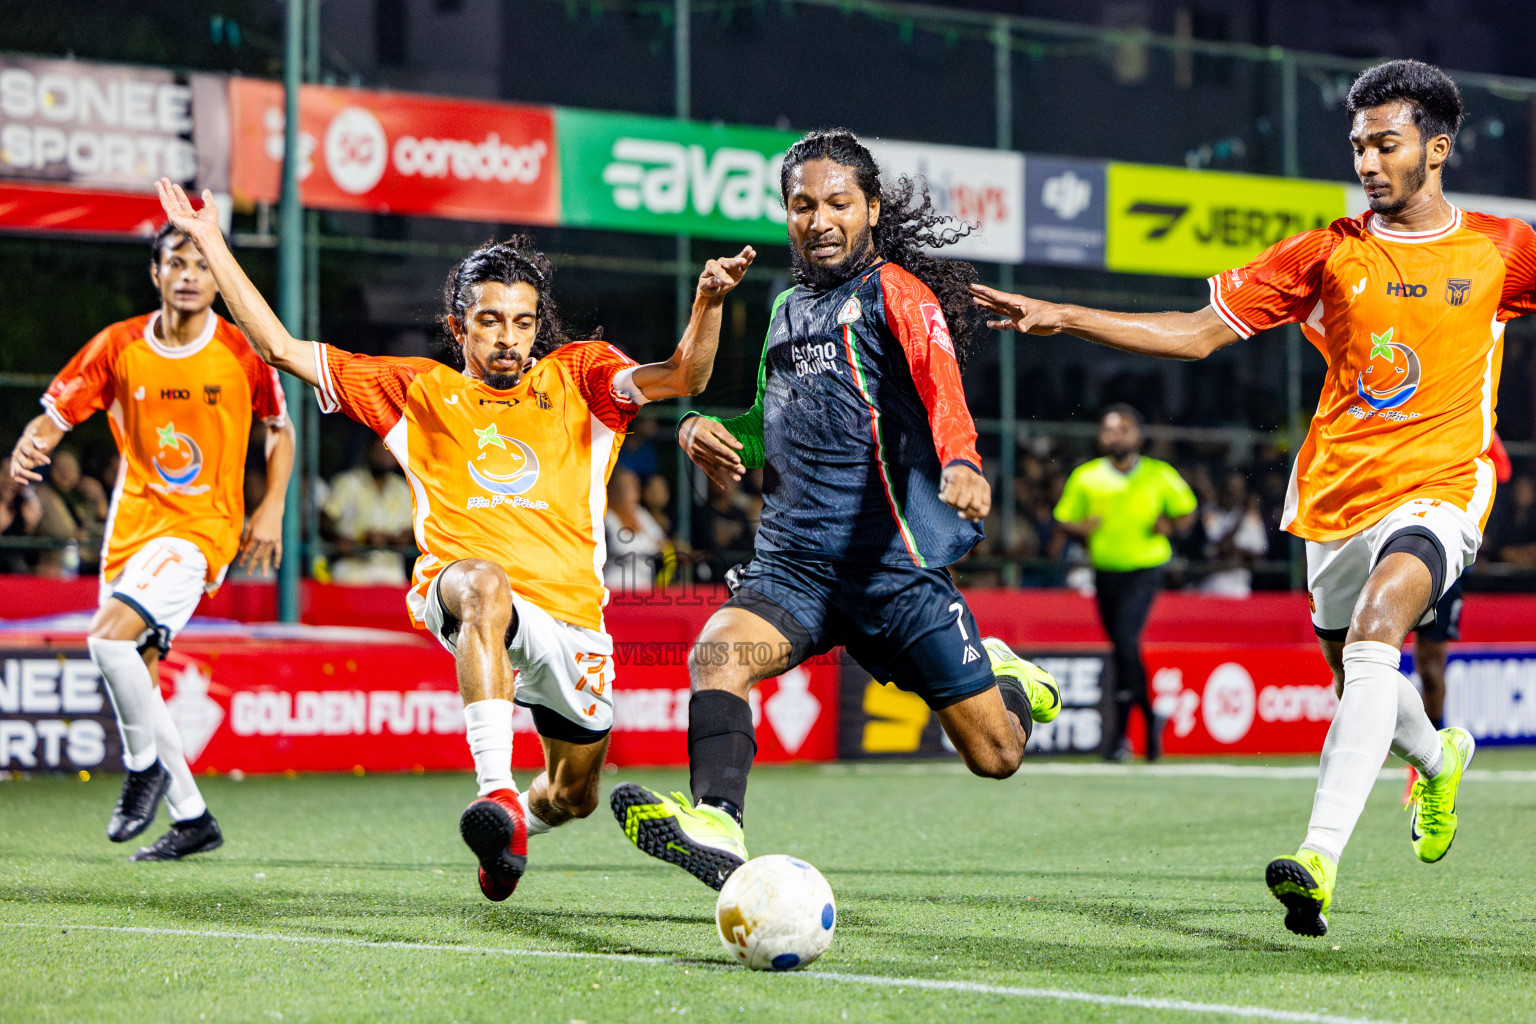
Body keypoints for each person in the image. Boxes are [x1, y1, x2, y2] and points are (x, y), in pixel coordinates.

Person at [973, 59, 1524, 936]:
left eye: (1387, 144)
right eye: (1358, 148)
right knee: (1357, 668)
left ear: (1439, 148)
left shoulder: (1502, 249)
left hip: (1444, 485)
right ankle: (1438, 753)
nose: (1369, 163)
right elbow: (1196, 337)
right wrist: (1068, 315)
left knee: (1383, 634)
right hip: (1336, 496)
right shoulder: (1325, 253)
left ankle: (1318, 858)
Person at [154, 177, 754, 902]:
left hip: (571, 619)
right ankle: (495, 792)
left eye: (524, 322)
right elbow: (279, 347)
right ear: (458, 325)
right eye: (491, 321)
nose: (508, 337)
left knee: (574, 795)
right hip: (462, 588)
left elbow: (685, 373)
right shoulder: (416, 390)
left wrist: (708, 303)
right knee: (484, 586)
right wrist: (212, 240)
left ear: (540, 326)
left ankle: (511, 834)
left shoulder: (582, 377)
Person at [608, 129, 1062, 891]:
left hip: (891, 569)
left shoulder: (896, 294)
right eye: (801, 205)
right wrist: (700, 429)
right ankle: (717, 824)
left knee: (997, 755)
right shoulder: (784, 309)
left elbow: (943, 391)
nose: (818, 219)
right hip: (795, 566)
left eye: (838, 203)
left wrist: (961, 463)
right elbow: (764, 425)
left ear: (871, 209)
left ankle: (1003, 671)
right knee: (717, 655)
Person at [8, 220, 293, 862]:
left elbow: (280, 428)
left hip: (202, 530)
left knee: (106, 636)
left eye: (203, 264)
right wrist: (33, 444)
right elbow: (56, 415)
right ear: (156, 273)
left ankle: (142, 767)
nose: (191, 275)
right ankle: (192, 817)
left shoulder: (242, 351)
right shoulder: (120, 345)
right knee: (136, 668)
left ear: (219, 280)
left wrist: (270, 506)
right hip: (131, 527)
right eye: (177, 262)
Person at [1055, 406, 1195, 762]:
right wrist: (1080, 529)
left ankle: (1121, 736)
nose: (1116, 435)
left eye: (1124, 429)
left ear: (1138, 435)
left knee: (1126, 641)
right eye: (1109, 430)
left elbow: (1187, 510)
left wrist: (1173, 526)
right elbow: (1064, 518)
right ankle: (1149, 719)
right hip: (1104, 570)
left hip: (1145, 569)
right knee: (1122, 647)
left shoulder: (1158, 474)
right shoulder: (1087, 477)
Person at [322, 436, 416, 585]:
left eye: (389, 450)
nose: (385, 454)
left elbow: (412, 532)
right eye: (380, 449)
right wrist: (340, 539)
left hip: (390, 568)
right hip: (352, 567)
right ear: (369, 450)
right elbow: (324, 519)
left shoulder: (403, 488)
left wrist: (389, 539)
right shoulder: (347, 482)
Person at [604, 466, 669, 592]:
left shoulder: (641, 513)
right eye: (624, 487)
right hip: (616, 585)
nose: (629, 492)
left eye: (633, 486)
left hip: (644, 585)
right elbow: (621, 547)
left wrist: (649, 545)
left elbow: (662, 542)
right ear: (614, 490)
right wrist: (651, 545)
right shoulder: (607, 515)